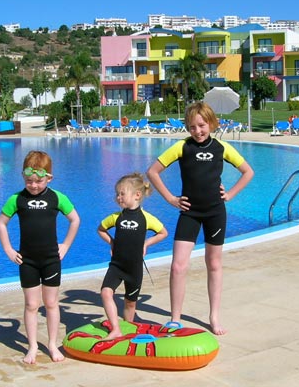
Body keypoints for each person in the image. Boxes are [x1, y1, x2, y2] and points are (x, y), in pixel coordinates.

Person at [146, 102, 254, 335]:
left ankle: (214, 316)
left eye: (202, 125)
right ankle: (175, 318)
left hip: (215, 212)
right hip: (190, 213)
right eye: (192, 127)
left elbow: (248, 171)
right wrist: (170, 199)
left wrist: (231, 194)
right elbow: (152, 171)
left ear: (211, 123)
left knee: (214, 264)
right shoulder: (181, 147)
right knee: (178, 265)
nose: (198, 131)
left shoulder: (222, 148)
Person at [0, 150, 80, 364]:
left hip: (51, 259)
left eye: (38, 181)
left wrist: (66, 246)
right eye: (29, 181)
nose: (33, 185)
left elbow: (75, 220)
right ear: (23, 178)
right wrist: (8, 249)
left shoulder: (56, 197)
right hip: (28, 261)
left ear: (49, 178)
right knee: (31, 305)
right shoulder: (17, 199)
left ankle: (52, 344)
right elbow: (1, 223)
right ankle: (32, 346)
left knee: (51, 303)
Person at [97, 172, 168, 339]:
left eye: (122, 193)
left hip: (134, 268)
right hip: (116, 266)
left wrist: (146, 243)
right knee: (106, 293)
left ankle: (126, 329)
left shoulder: (146, 218)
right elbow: (100, 229)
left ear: (137, 195)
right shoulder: (116, 217)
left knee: (130, 302)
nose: (118, 197)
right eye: (117, 194)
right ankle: (115, 328)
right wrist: (112, 242)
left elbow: (163, 233)